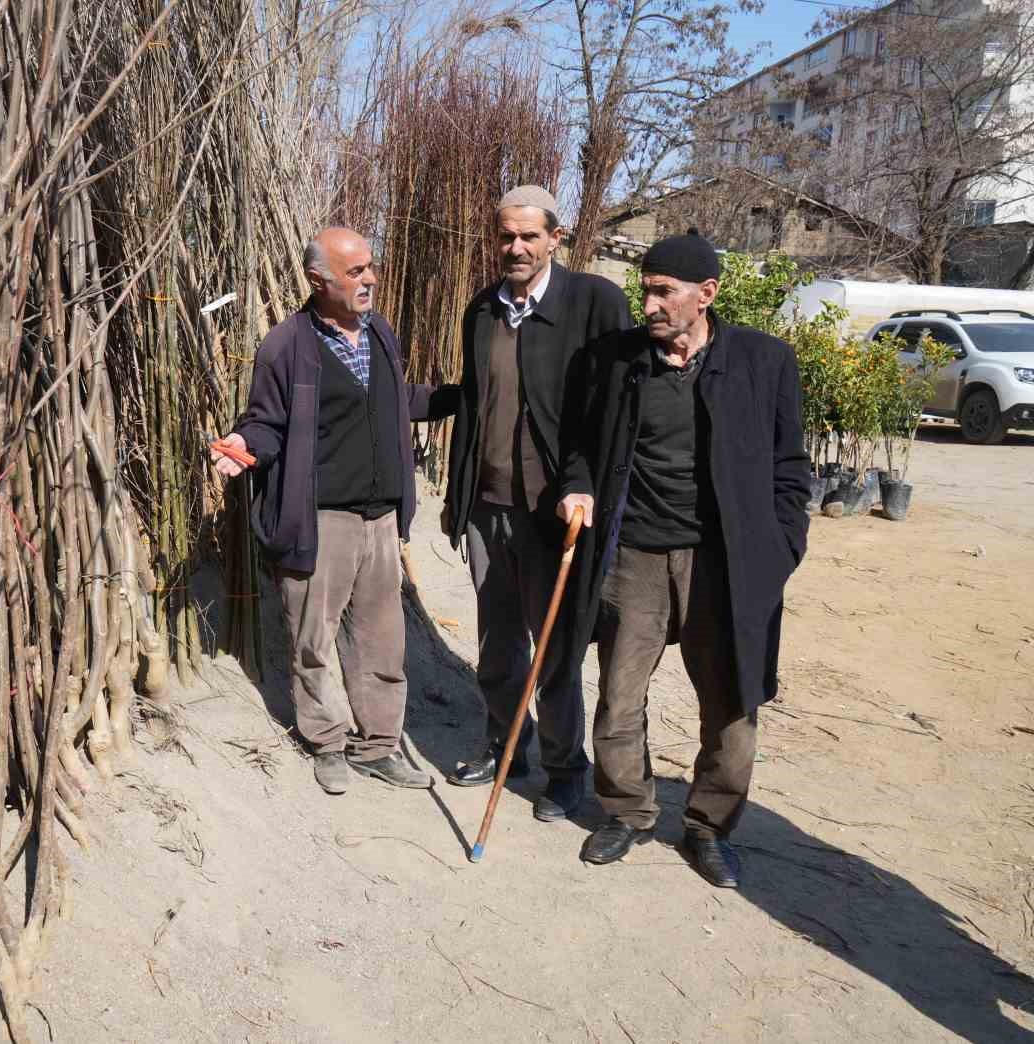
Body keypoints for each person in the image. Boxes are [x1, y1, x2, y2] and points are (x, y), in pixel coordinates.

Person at [555, 231, 811, 887]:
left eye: (664, 291)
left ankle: (708, 828)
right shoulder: (614, 361)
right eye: (646, 289)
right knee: (618, 699)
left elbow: (790, 469)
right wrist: (576, 486)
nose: (650, 303)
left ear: (707, 295)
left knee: (729, 703)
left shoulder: (764, 363)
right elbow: (579, 444)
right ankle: (628, 812)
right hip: (633, 556)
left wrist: (781, 548)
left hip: (720, 562)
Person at [213, 227, 459, 795]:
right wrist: (245, 447)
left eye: (370, 267)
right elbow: (267, 422)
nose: (369, 278)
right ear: (318, 281)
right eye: (355, 272)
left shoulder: (379, 333)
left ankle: (378, 746)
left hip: (379, 519)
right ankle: (326, 741)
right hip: (320, 518)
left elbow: (398, 401)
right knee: (313, 639)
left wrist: (455, 398)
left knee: (379, 639)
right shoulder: (287, 345)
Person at [439, 185, 630, 823]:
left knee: (556, 647)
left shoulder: (593, 302)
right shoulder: (483, 310)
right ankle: (506, 747)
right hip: (490, 506)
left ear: (556, 238)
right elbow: (471, 400)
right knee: (498, 644)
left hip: (558, 511)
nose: (515, 248)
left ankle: (564, 768)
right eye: (504, 236)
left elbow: (613, 409)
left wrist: (588, 484)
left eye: (529, 236)